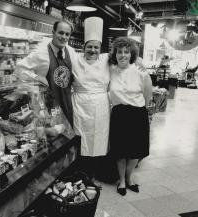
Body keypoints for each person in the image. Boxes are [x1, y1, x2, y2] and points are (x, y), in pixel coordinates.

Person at [15, 19, 79, 131]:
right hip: (47, 109)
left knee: (68, 139)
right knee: (51, 141)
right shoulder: (41, 53)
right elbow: (19, 68)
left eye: (67, 34)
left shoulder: (71, 52)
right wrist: (36, 77)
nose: (64, 37)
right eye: (61, 32)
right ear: (53, 32)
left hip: (68, 104)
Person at [108, 37, 153, 196]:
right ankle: (121, 180)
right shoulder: (111, 70)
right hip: (119, 114)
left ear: (131, 54)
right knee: (120, 151)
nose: (123, 55)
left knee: (135, 151)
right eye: (119, 52)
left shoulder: (140, 71)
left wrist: (144, 111)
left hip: (137, 114)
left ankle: (129, 178)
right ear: (115, 54)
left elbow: (148, 93)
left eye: (126, 52)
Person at [72, 17, 111, 188]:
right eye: (89, 47)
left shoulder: (106, 60)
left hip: (101, 105)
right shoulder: (75, 59)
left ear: (100, 49)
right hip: (80, 105)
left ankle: (93, 176)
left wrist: (138, 63)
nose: (92, 50)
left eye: (96, 47)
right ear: (84, 47)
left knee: (98, 140)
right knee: (81, 139)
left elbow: (127, 56)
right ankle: (80, 174)